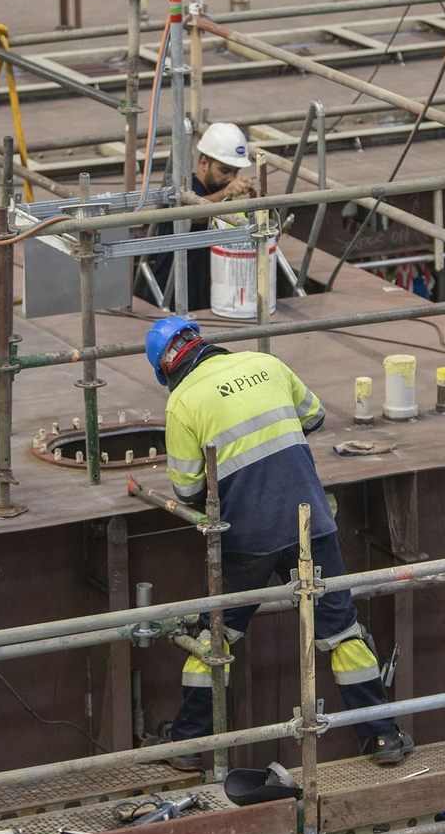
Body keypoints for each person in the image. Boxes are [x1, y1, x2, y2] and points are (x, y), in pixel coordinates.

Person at [146, 316, 414, 768]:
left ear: (165, 369)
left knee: (215, 638)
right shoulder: (265, 363)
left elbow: (188, 491)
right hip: (310, 521)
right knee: (341, 632)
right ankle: (382, 738)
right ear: (201, 341)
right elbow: (313, 416)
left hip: (245, 535)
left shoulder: (183, 403)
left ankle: (192, 744)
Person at [148, 121, 254, 312]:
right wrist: (226, 194)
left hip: (207, 294)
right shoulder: (178, 191)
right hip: (169, 296)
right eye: (224, 170)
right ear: (204, 163)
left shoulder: (222, 193)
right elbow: (190, 217)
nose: (231, 178)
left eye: (235, 172)